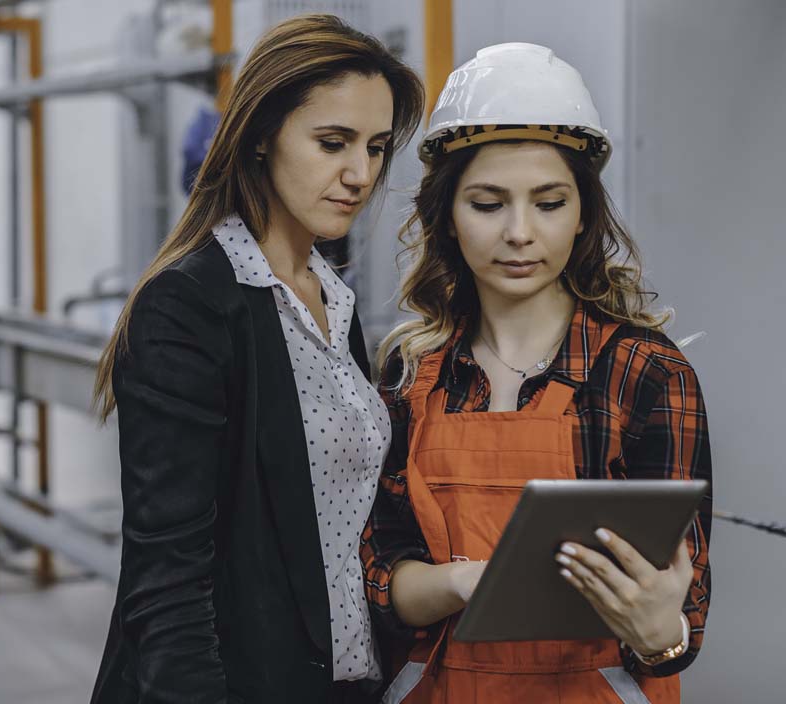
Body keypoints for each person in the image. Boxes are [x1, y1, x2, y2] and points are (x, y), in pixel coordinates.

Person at [362, 43, 711, 703]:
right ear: (447, 219)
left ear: (583, 216)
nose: (520, 233)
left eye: (548, 203)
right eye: (488, 204)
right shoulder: (408, 373)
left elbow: (681, 628)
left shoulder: (646, 373)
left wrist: (661, 627)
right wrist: (470, 583)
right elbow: (384, 579)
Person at [90, 15, 424, 704]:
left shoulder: (333, 301)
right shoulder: (189, 308)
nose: (360, 173)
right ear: (262, 134)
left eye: (377, 147)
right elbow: (169, 584)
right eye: (333, 142)